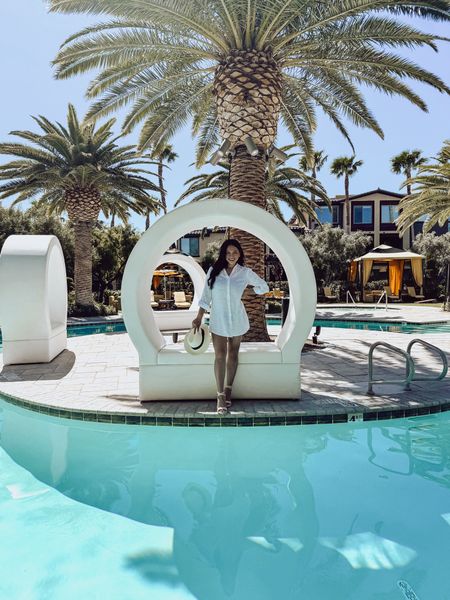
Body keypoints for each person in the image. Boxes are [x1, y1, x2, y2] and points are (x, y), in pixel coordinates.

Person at [192, 239, 269, 415]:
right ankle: (220, 396)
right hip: (218, 319)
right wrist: (198, 317)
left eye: (234, 252)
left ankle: (228, 389)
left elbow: (264, 287)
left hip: (237, 319)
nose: (231, 256)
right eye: (228, 253)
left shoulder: (245, 273)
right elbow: (206, 297)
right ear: (223, 254)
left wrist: (249, 290)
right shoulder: (214, 271)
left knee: (233, 354)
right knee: (220, 356)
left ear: (240, 253)